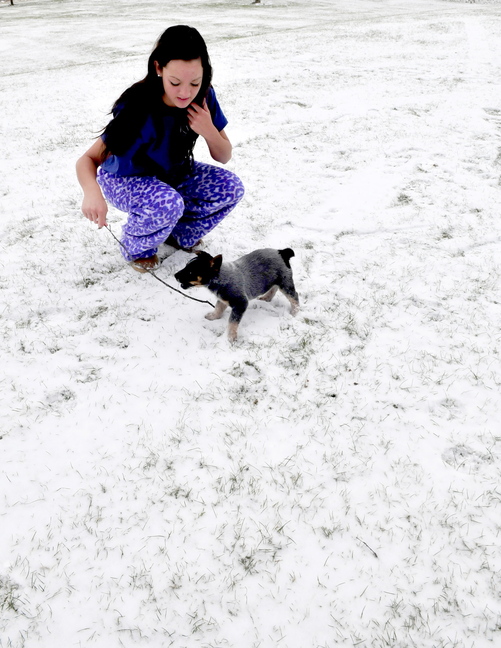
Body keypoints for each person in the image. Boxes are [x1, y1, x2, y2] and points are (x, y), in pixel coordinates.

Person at [76, 25, 244, 272]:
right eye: (175, 82)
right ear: (158, 68)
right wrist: (92, 193)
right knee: (168, 203)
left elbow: (224, 155)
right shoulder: (137, 106)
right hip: (123, 179)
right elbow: (88, 158)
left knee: (231, 188)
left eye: (194, 83)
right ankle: (137, 247)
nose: (185, 93)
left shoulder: (204, 97)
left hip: (172, 172)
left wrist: (208, 128)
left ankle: (178, 235)